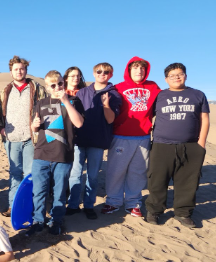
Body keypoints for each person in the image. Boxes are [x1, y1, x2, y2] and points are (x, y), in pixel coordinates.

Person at [145, 63, 209, 228]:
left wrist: (200, 144)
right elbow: (146, 116)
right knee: (157, 180)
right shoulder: (159, 96)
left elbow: (204, 120)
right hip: (161, 145)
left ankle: (183, 213)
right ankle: (154, 211)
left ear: (185, 76)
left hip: (191, 146)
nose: (176, 78)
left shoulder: (198, 95)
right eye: (172, 76)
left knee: (188, 182)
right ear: (166, 79)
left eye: (179, 74)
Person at [25, 71, 84, 236]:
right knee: (39, 191)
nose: (57, 87)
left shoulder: (74, 101)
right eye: (53, 85)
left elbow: (79, 123)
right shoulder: (41, 103)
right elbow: (35, 127)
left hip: (63, 155)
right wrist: (34, 125)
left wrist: (65, 101)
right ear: (47, 88)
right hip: (42, 153)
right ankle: (38, 221)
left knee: (59, 192)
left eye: (60, 84)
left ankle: (56, 221)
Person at [0, 55, 46, 216]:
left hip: (31, 139)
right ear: (11, 72)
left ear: (26, 70)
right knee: (14, 173)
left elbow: (46, 109)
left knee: (30, 174)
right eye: (16, 69)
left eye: (22, 69)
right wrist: (1, 129)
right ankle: (13, 206)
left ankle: (29, 206)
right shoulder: (4, 92)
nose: (19, 71)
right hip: (11, 140)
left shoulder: (37, 89)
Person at [106, 57, 161, 217]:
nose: (139, 71)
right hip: (120, 136)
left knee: (138, 171)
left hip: (143, 136)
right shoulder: (118, 88)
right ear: (129, 70)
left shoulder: (153, 87)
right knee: (116, 171)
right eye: (135, 68)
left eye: (142, 68)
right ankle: (113, 201)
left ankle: (133, 203)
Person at [67, 63, 122, 220]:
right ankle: (73, 205)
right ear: (93, 73)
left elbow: (111, 119)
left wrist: (105, 105)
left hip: (98, 141)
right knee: (75, 174)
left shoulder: (114, 95)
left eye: (106, 72)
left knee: (92, 176)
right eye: (99, 71)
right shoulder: (82, 92)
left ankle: (89, 205)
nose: (102, 74)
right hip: (79, 139)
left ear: (110, 75)